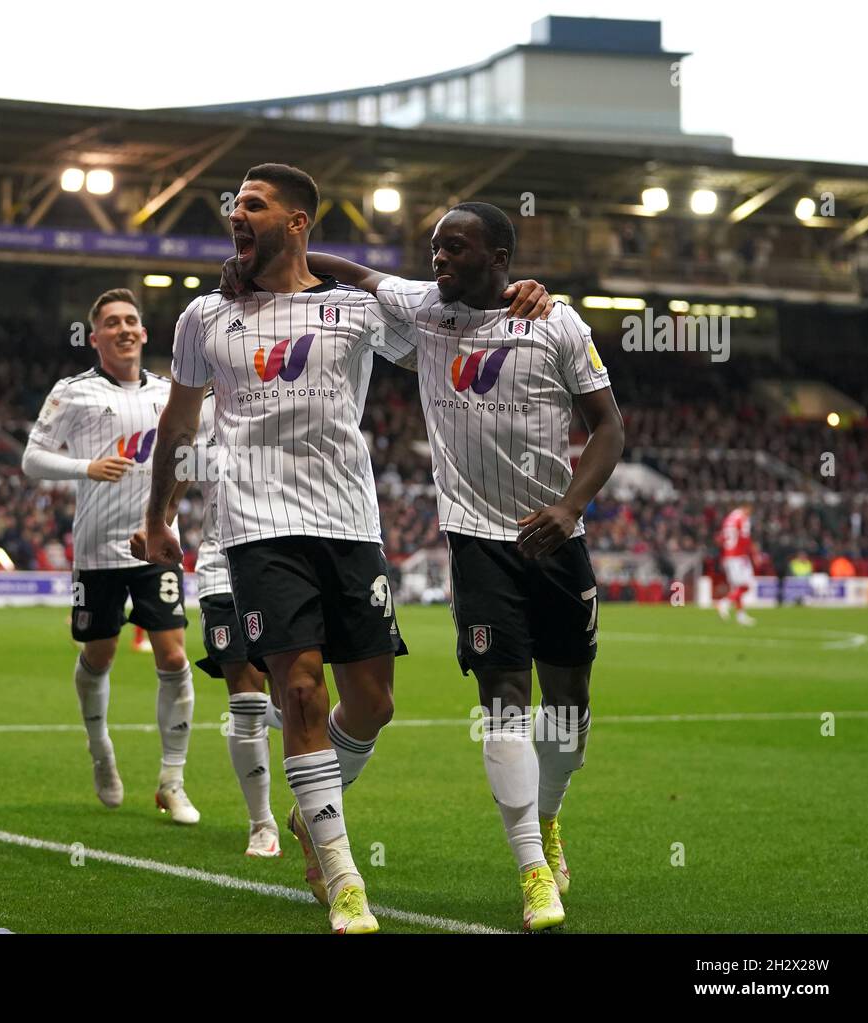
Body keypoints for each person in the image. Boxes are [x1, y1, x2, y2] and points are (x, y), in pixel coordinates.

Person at [147, 165, 552, 933]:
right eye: (234, 205)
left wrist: (523, 292)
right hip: (257, 527)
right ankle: (342, 875)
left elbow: (459, 313)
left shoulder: (357, 310)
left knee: (373, 703)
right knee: (300, 692)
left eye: (255, 205)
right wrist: (160, 511)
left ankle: (310, 813)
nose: (238, 214)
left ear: (299, 222)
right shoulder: (203, 316)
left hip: (349, 524)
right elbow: (177, 424)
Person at [260, 201, 622, 931]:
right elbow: (356, 273)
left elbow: (610, 424)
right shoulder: (425, 308)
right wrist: (272, 267)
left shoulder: (557, 323)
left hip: (555, 537)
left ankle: (548, 818)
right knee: (505, 702)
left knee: (570, 713)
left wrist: (571, 507)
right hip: (479, 541)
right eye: (433, 249)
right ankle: (532, 870)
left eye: (455, 249)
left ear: (500, 257)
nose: (438, 261)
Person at [22, 288, 199, 825]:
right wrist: (85, 468)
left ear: (144, 334)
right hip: (98, 550)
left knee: (172, 657)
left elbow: (190, 458)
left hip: (155, 546)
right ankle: (101, 750)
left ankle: (173, 779)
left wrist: (168, 517)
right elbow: (33, 459)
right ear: (94, 336)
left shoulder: (171, 394)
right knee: (100, 656)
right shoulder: (72, 392)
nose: (123, 329)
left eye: (131, 321)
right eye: (111, 323)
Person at [131, 390, 285, 856]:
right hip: (224, 567)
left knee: (296, 693)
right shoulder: (204, 411)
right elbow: (179, 480)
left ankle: (309, 788)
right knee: (246, 697)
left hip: (289, 561)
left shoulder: (294, 389)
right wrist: (158, 524)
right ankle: (262, 823)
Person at [717, 504, 757, 625]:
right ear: (746, 508)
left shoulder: (728, 519)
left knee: (737, 588)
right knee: (747, 585)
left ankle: (741, 616)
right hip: (739, 557)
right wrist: (754, 554)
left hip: (728, 557)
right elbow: (746, 539)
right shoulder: (742, 518)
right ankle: (725, 603)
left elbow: (721, 539)